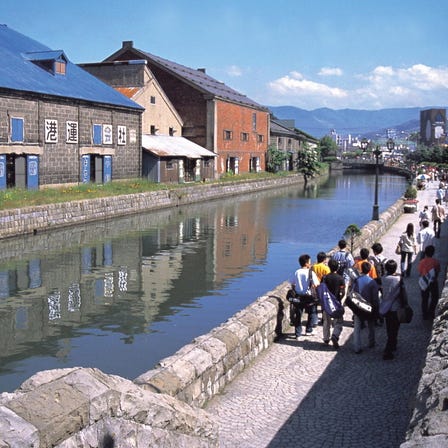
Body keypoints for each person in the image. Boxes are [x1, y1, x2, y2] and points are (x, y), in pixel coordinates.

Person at [351, 262, 380, 354]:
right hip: (369, 306)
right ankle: (371, 342)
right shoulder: (372, 282)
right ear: (370, 270)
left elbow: (353, 293)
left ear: (361, 269)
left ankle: (357, 347)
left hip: (358, 306)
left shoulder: (357, 280)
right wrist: (376, 309)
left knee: (357, 327)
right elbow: (375, 298)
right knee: (371, 325)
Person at [290, 254, 320, 339]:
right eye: (310, 262)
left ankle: (298, 333)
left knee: (298, 315)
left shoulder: (297, 272)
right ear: (306, 263)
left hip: (299, 296)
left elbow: (292, 283)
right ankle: (308, 330)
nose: (310, 263)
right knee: (311, 313)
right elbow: (316, 284)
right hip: (309, 296)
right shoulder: (311, 272)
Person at [380, 259, 404, 360]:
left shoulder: (383, 278)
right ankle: (388, 350)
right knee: (395, 329)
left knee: (389, 328)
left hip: (385, 307)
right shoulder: (398, 280)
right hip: (395, 307)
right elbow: (402, 293)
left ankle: (393, 344)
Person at [322, 258, 345, 349]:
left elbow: (322, 289)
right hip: (336, 303)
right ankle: (335, 335)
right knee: (338, 322)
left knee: (326, 322)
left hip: (327, 302)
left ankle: (326, 338)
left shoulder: (325, 278)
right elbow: (342, 292)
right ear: (338, 267)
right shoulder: (340, 278)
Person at [417, 245, 441, 320]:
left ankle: (425, 314)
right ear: (433, 253)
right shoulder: (435, 262)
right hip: (433, 282)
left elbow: (420, 272)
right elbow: (437, 271)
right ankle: (431, 311)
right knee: (435, 297)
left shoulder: (421, 262)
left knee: (424, 298)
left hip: (424, 281)